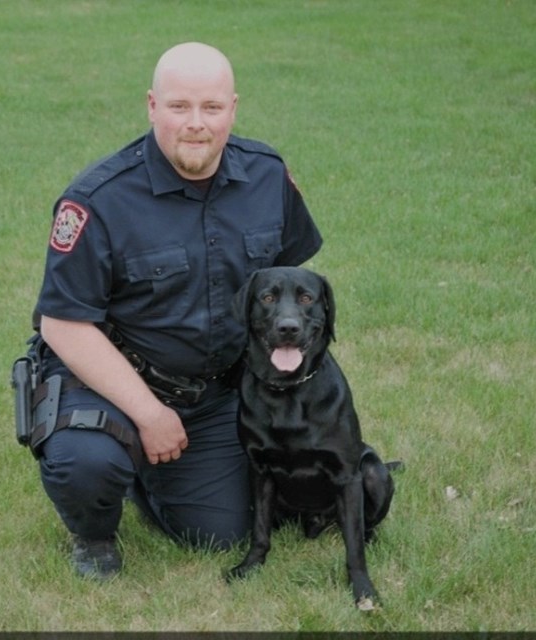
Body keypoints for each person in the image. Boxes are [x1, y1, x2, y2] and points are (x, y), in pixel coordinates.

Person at [27, 41, 323, 580]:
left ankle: (153, 478)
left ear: (232, 108)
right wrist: (148, 415)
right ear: (152, 106)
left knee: (224, 534)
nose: (196, 124)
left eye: (211, 108)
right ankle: (94, 534)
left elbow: (287, 293)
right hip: (109, 382)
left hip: (214, 390)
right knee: (86, 462)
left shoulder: (266, 177)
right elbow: (64, 325)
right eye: (179, 107)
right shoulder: (98, 200)